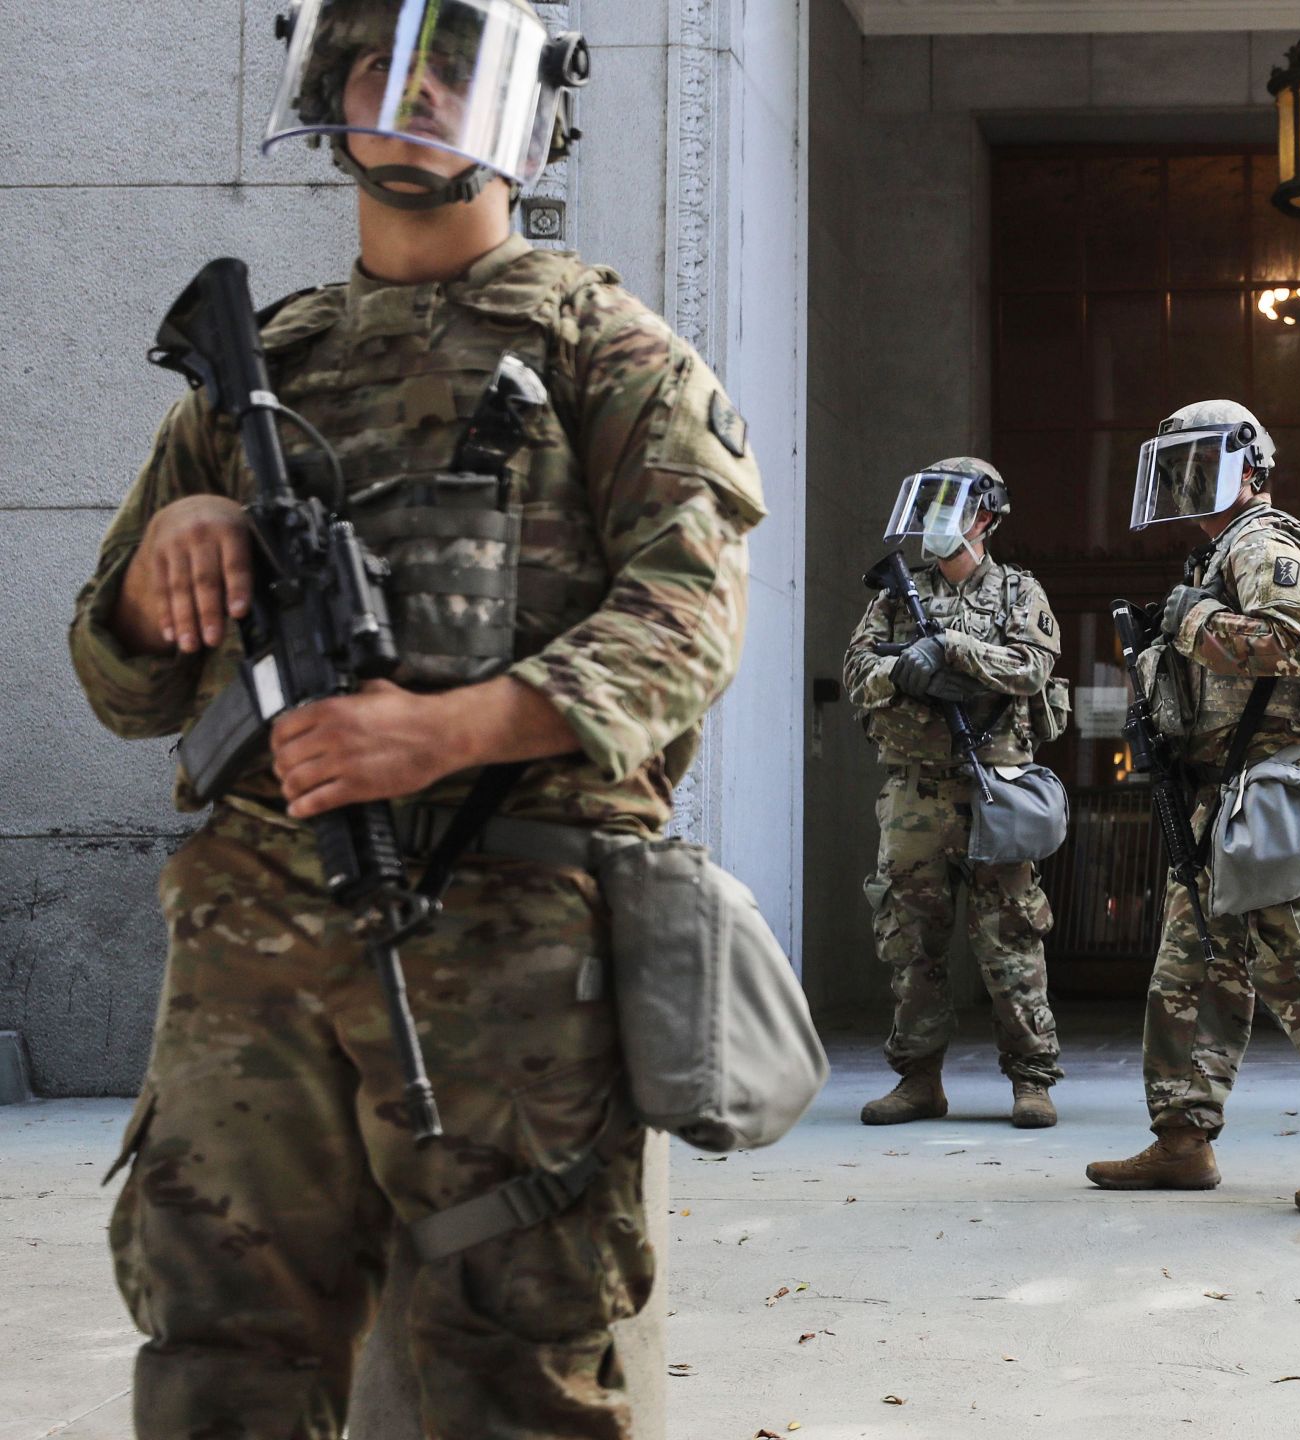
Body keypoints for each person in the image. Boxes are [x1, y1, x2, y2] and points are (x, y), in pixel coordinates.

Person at [68, 2, 764, 1433]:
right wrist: (161, 571)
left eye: (459, 72)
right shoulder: (251, 376)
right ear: (333, 95)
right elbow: (122, 684)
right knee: (218, 1338)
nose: (419, 97)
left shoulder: (607, 349)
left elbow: (688, 620)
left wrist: (456, 730)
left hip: (513, 940)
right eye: (385, 65)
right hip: (253, 949)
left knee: (522, 1356)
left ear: (525, 120)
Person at [1084, 399, 1300, 1217]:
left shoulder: (1263, 544)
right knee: (1192, 968)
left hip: (1265, 786)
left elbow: (1295, 644)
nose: (1188, 481)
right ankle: (1182, 1141)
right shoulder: (1220, 552)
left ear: (1251, 469)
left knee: (1296, 961)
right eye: (1180, 466)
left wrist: (1193, 620)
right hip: (1222, 792)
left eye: (1205, 463)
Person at [840, 458, 1069, 1128]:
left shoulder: (1018, 593)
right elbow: (858, 671)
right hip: (915, 793)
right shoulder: (894, 596)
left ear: (987, 519)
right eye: (932, 509)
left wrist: (951, 652)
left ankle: (1032, 1079)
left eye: (955, 510)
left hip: (994, 785)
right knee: (909, 939)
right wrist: (904, 675)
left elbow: (1031, 667)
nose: (939, 526)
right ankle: (918, 1079)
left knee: (1010, 936)